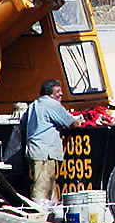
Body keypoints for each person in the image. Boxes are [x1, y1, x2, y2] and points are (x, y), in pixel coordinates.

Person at [23, 79, 84, 207]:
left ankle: (50, 209)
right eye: (57, 91)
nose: (61, 94)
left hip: (34, 149)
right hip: (44, 152)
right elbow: (70, 122)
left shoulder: (34, 104)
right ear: (50, 94)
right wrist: (80, 120)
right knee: (42, 186)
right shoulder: (52, 104)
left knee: (45, 183)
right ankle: (39, 211)